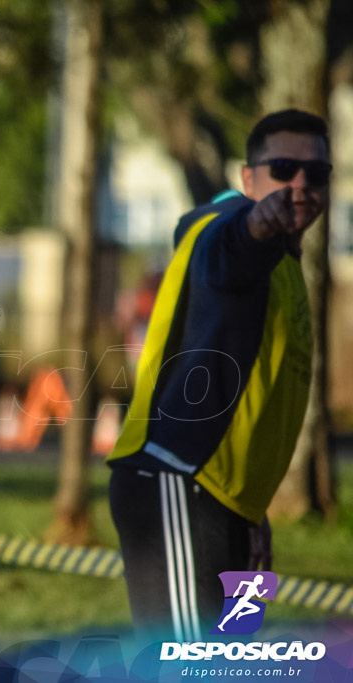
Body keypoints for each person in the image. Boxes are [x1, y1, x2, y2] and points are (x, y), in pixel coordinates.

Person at [106, 109, 329, 642]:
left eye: (315, 174)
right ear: (248, 179)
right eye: (282, 168)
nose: (298, 184)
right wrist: (257, 223)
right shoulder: (222, 225)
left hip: (234, 503)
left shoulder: (291, 265)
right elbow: (226, 250)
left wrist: (253, 513)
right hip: (180, 482)